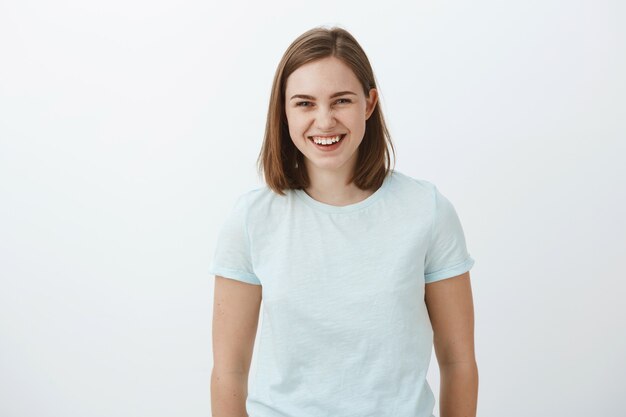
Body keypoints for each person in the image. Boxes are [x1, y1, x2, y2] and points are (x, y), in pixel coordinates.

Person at [209, 25, 478, 417]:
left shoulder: (427, 211)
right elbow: (229, 372)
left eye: (341, 101)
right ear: (283, 111)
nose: (324, 120)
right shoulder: (252, 220)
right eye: (304, 103)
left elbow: (458, 362)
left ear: (368, 104)